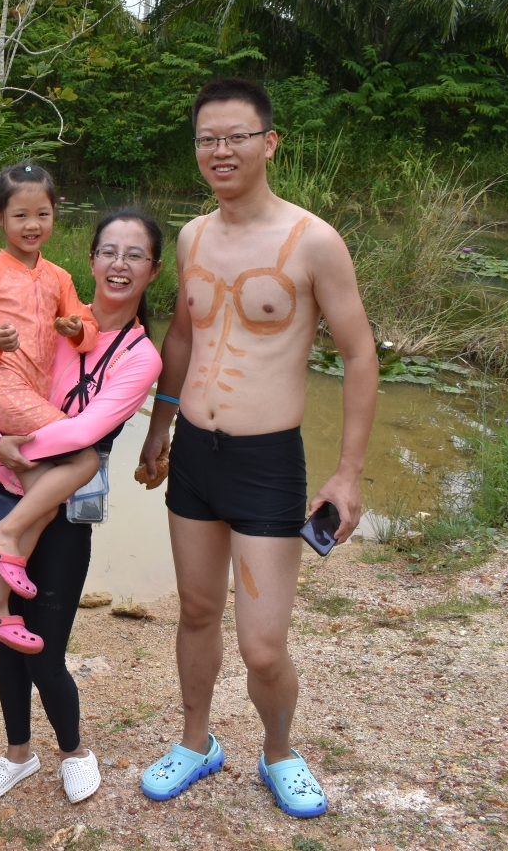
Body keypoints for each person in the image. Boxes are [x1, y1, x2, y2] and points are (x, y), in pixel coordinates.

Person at [135, 78, 376, 818]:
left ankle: (279, 751)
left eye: (236, 136)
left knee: (263, 647)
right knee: (197, 612)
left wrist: (347, 474)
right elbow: (181, 335)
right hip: (196, 458)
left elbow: (360, 355)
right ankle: (196, 741)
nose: (220, 151)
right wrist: (158, 426)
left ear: (270, 142)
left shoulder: (313, 241)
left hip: (268, 460)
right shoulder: (192, 236)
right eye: (207, 138)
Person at [0, 210, 164, 806]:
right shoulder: (52, 315)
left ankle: (74, 749)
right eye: (109, 252)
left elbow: (88, 432)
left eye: (134, 255)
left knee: (43, 645)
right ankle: (18, 753)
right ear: (91, 260)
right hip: (2, 490)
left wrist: (5, 448)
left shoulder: (141, 357)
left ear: (152, 270)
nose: (119, 265)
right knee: (3, 637)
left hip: (66, 514)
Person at [0, 163, 101, 650]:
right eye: (20, 215)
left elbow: (85, 324)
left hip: (31, 399)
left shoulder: (58, 277)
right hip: (4, 389)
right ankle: (3, 540)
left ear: (55, 213)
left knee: (46, 493)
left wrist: (76, 330)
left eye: (42, 213)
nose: (32, 224)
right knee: (83, 457)